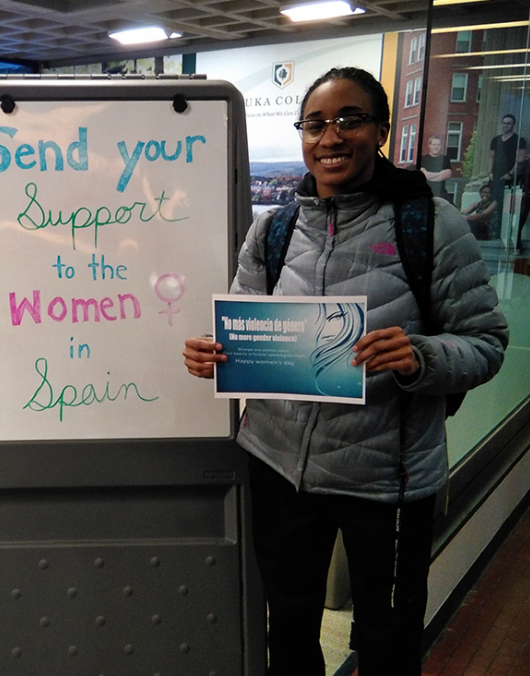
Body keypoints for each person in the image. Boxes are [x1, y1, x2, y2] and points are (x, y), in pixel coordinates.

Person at [183, 67, 508, 676]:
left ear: (381, 129)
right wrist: (215, 350)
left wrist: (422, 356)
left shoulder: (431, 226)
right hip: (280, 466)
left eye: (349, 119)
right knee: (292, 628)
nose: (330, 137)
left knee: (387, 638)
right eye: (315, 124)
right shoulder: (274, 229)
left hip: (387, 478)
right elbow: (251, 326)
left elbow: (487, 343)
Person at [488, 113, 527, 238]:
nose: (506, 125)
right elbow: (491, 157)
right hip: (496, 177)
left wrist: (510, 174)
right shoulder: (496, 140)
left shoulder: (519, 140)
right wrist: (489, 172)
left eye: (508, 123)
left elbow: (520, 160)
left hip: (511, 179)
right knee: (496, 204)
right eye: (504, 123)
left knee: (509, 207)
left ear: (513, 125)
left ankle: (509, 234)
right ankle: (496, 232)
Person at [419, 135, 453, 203]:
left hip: (441, 193)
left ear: (441, 146)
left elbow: (448, 175)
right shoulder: (423, 159)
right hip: (426, 192)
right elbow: (424, 176)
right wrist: (440, 174)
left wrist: (429, 176)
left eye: (438, 145)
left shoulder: (445, 159)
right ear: (429, 145)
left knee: (452, 208)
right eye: (434, 144)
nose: (436, 147)